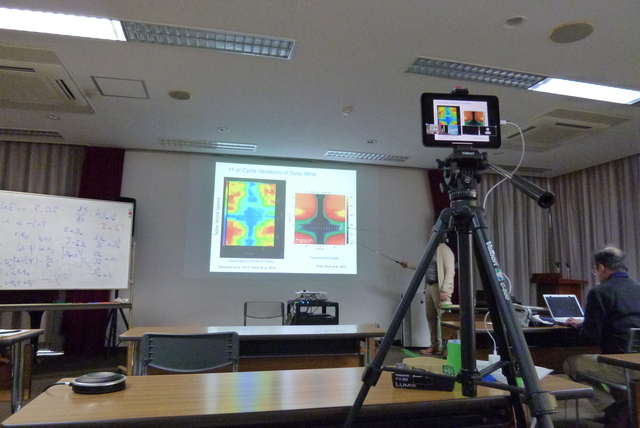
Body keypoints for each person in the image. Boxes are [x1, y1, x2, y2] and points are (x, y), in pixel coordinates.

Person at [563, 245, 640, 428]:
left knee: (571, 363)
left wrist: (582, 326)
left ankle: (613, 409)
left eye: (595, 271)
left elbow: (591, 338)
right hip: (637, 362)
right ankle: (625, 407)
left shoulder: (600, 292)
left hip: (623, 367)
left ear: (601, 267)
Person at [399, 233, 455, 355]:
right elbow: (424, 266)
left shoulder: (445, 250)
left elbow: (450, 271)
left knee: (444, 318)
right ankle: (435, 346)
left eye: (433, 233)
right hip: (429, 287)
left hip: (439, 288)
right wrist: (408, 265)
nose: (430, 236)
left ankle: (447, 348)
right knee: (431, 318)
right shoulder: (430, 250)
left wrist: (445, 290)